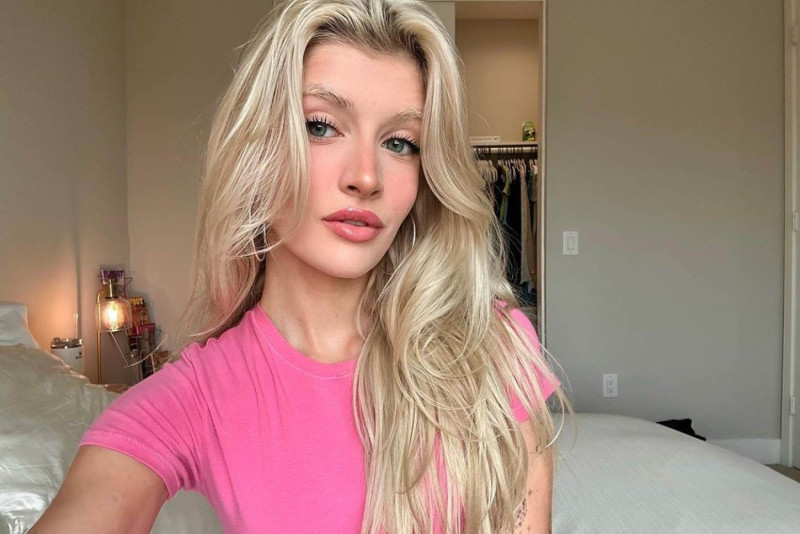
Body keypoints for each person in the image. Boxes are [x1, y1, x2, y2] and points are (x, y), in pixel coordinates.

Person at [31, 0, 573, 532]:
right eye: (321, 126)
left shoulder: (489, 344)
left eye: (400, 142)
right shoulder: (195, 397)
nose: (366, 177)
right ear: (259, 150)